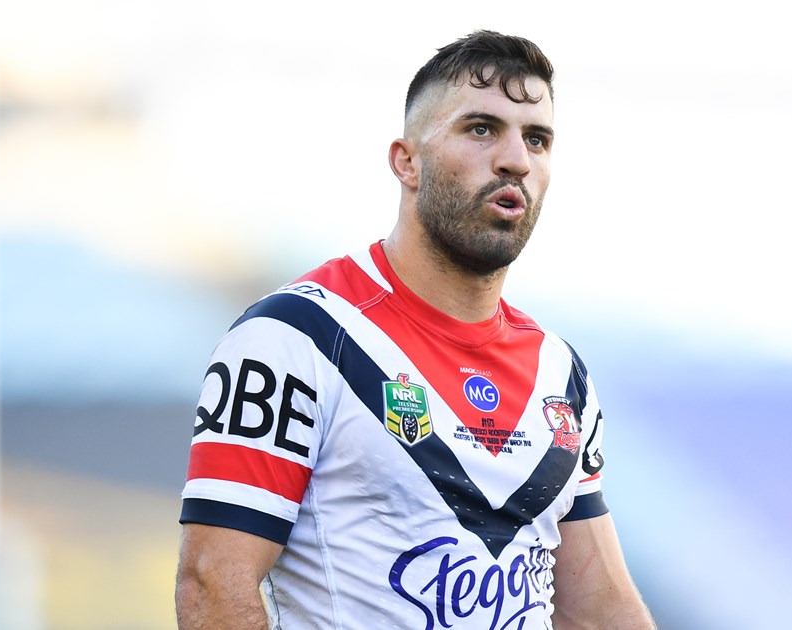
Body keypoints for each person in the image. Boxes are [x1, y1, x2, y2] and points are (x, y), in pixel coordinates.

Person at [174, 30, 656, 629]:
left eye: (537, 139)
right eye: (481, 129)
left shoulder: (560, 373)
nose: (516, 160)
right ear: (407, 161)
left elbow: (600, 610)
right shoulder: (296, 337)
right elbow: (212, 582)